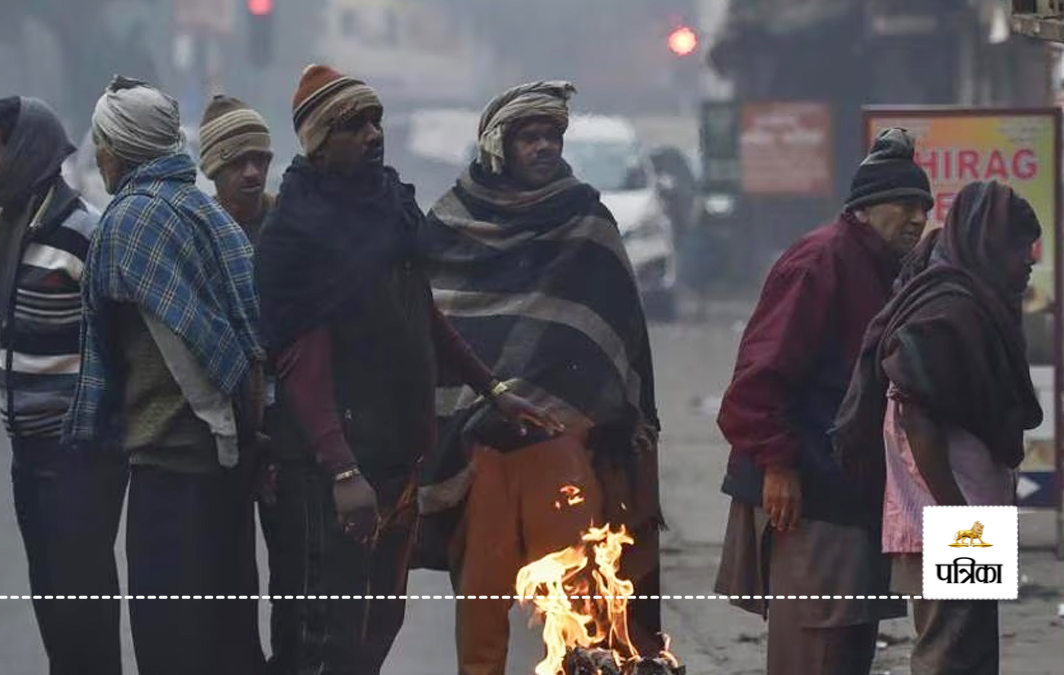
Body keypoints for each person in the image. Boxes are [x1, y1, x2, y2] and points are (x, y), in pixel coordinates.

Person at [253, 64, 559, 675]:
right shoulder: (299, 230)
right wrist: (342, 469)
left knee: (377, 628)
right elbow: (300, 361)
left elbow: (419, 313)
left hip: (397, 460)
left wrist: (493, 390)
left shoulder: (388, 205)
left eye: (375, 121)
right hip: (333, 471)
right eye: (352, 126)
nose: (372, 135)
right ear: (316, 142)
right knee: (325, 640)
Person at [416, 81, 662, 675]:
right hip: (480, 449)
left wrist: (622, 424)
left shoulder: (586, 219)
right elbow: (425, 326)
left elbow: (619, 331)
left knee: (582, 596)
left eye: (553, 135)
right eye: (531, 137)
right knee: (482, 599)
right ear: (499, 146)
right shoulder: (449, 221)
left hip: (561, 442)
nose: (546, 146)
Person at [64, 76, 266, 675]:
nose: (98, 157)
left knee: (171, 645)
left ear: (116, 151)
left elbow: (143, 345)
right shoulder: (208, 213)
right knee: (228, 640)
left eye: (101, 144)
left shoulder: (128, 223)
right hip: (227, 465)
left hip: (170, 468)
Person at [713, 128, 933, 675]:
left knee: (848, 644)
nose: (916, 218)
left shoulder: (888, 269)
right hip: (807, 490)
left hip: (852, 489)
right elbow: (758, 380)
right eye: (904, 204)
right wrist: (777, 465)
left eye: (924, 207)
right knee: (816, 646)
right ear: (864, 207)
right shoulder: (822, 261)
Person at [834, 180, 1042, 675]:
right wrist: (958, 522)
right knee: (950, 653)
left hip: (968, 515)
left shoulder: (968, 302)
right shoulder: (947, 310)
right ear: (989, 245)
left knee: (971, 651)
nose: (1029, 263)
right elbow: (917, 418)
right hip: (949, 518)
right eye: (1021, 249)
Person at [0, 96, 127, 675]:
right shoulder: (18, 227)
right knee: (52, 604)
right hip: (30, 451)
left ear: (25, 152)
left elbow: (121, 341)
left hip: (78, 457)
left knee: (81, 608)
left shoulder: (83, 232)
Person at [198, 94, 275, 242]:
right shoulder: (198, 233)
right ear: (213, 170)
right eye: (238, 162)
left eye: (259, 159)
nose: (251, 172)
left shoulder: (292, 221)